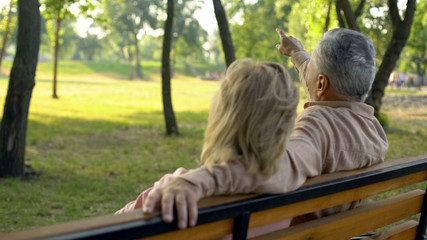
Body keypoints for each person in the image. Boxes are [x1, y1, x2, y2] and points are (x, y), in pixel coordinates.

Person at [142, 28, 389, 231]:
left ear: (321, 83)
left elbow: (274, 166)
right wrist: (298, 54)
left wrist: (195, 182)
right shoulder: (373, 132)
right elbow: (319, 84)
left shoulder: (319, 128)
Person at [116, 59, 299, 222]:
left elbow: (113, 226)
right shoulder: (293, 182)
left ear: (221, 119)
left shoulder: (175, 190)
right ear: (284, 126)